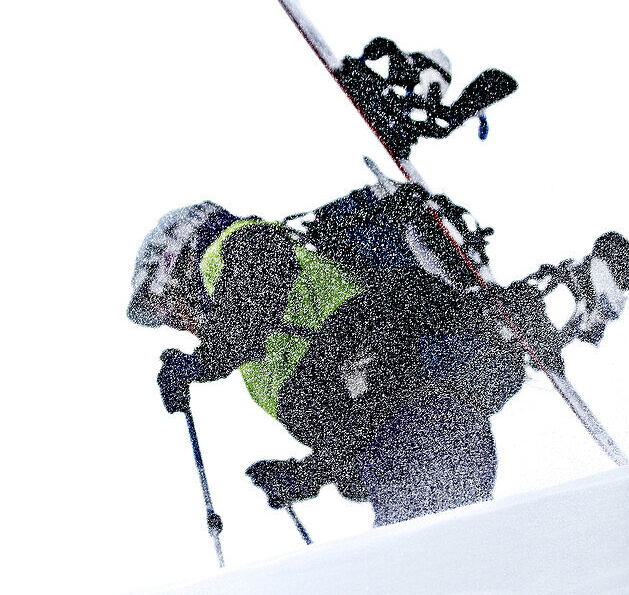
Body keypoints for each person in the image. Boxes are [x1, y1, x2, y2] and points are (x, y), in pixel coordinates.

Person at [126, 198, 532, 526]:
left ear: (178, 269)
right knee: (434, 580)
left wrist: (196, 368)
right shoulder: (256, 353)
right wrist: (304, 476)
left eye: (172, 309)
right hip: (408, 449)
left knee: (428, 577)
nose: (181, 327)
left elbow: (253, 315)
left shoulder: (238, 246)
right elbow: (354, 422)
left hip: (424, 429)